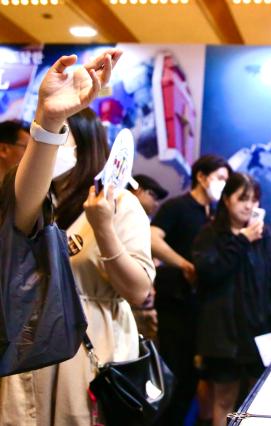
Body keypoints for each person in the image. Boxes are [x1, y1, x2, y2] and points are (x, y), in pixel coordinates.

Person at [0, 50, 149, 426]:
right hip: (29, 346)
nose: (52, 148)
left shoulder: (119, 204)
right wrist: (48, 119)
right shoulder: (36, 194)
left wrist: (103, 228)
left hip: (92, 350)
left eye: (63, 136)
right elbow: (19, 214)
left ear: (84, 146)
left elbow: (139, 292)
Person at [192, 172, 271, 426]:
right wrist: (242, 240)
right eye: (242, 198)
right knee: (223, 400)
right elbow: (209, 272)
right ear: (226, 199)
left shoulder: (265, 235)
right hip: (222, 336)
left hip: (259, 332)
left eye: (255, 200)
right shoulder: (209, 235)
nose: (250, 205)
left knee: (259, 400)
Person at [151, 154, 230, 426]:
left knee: (192, 380)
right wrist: (184, 265)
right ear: (201, 176)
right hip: (174, 301)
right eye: (220, 178)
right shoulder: (177, 206)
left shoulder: (215, 216)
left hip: (201, 307)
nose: (223, 185)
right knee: (174, 373)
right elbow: (152, 239)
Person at [127, 174, 168, 341]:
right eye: (152, 195)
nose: (156, 203)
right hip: (127, 303)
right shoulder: (119, 215)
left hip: (146, 304)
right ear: (137, 190)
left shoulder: (145, 222)